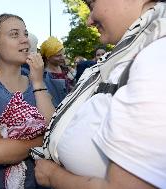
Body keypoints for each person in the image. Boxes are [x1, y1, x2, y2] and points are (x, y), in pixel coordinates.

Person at [34, 0, 166, 188]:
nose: (89, 20)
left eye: (92, 3)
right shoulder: (124, 55)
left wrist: (53, 176)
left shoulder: (157, 57)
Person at [0, 13, 54, 189]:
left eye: (25, 33)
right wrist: (41, 141)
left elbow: (54, 131)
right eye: (14, 34)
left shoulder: (38, 82)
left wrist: (38, 82)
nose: (25, 40)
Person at [40, 36, 75, 107]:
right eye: (58, 55)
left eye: (63, 54)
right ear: (48, 57)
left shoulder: (66, 70)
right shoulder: (43, 76)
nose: (62, 57)